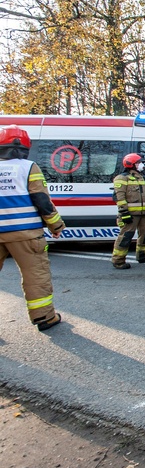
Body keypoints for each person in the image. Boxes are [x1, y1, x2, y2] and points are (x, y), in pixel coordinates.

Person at [0, 125, 65, 331]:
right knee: (35, 275)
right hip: (25, 233)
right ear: (24, 146)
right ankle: (44, 317)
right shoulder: (28, 167)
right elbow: (41, 200)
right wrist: (55, 224)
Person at [110, 153, 145, 269]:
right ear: (132, 164)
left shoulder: (144, 178)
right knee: (126, 236)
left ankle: (144, 255)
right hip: (130, 214)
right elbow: (120, 197)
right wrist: (124, 213)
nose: (142, 165)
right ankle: (118, 260)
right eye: (139, 163)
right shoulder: (122, 178)